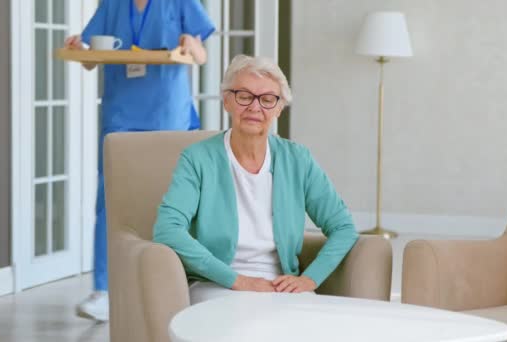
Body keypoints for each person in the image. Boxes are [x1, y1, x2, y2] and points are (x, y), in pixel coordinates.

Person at [153, 55, 359, 304]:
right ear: (227, 100)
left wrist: (310, 279)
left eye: (267, 99)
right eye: (244, 95)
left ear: (279, 107)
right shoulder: (197, 158)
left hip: (282, 284)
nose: (254, 107)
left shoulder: (297, 159)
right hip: (215, 283)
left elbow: (343, 227)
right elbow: (167, 229)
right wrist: (238, 280)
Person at [64, 0, 215, 321]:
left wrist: (192, 46)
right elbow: (92, 59)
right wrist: (78, 46)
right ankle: (103, 291)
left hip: (167, 113)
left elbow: (201, 56)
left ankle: (183, 283)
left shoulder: (180, 3)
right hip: (120, 113)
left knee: (172, 201)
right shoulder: (112, 5)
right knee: (110, 200)